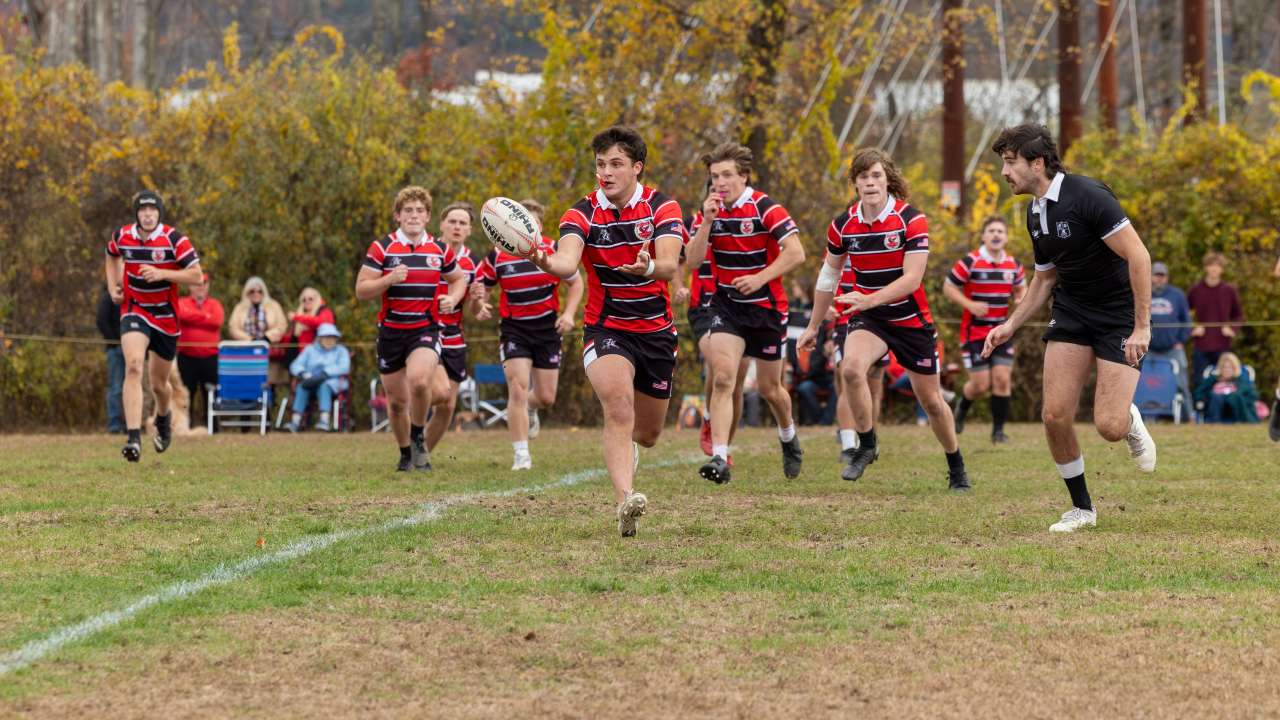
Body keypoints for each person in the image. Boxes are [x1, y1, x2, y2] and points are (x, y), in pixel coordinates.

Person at [982, 124, 1156, 533]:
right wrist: (1010, 324)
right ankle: (1082, 508)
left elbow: (1140, 257)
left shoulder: (1088, 196)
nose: (1004, 172)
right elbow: (1044, 279)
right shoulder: (1034, 211)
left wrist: (1142, 326)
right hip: (1073, 311)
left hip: (1118, 314)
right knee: (1054, 414)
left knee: (1108, 427)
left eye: (1010, 163)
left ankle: (1128, 420)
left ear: (1036, 162)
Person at [527, 125, 683, 537]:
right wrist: (537, 255)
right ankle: (624, 502)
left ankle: (629, 453)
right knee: (617, 408)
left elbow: (669, 266)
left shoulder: (662, 208)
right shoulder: (581, 213)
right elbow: (565, 264)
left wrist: (647, 266)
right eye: (600, 164)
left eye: (616, 164)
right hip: (606, 327)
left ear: (637, 168)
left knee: (646, 434)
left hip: (656, 331)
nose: (606, 173)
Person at [799, 148, 970, 491]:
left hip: (910, 319)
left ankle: (956, 465)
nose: (870, 182)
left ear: (887, 179)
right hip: (870, 319)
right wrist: (813, 326)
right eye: (863, 177)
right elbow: (827, 279)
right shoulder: (843, 225)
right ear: (855, 183)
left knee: (932, 402)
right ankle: (866, 444)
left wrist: (868, 298)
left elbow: (912, 279)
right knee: (850, 369)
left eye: (876, 175)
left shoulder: (911, 220)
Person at [683, 142, 806, 485]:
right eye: (713, 177)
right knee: (723, 377)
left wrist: (760, 278)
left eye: (726, 175)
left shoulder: (766, 208)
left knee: (771, 390)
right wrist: (706, 223)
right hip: (726, 308)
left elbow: (796, 253)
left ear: (744, 176)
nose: (719, 183)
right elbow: (692, 261)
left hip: (766, 310)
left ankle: (788, 437)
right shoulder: (709, 211)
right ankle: (720, 456)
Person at [356, 186, 467, 472]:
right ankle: (405, 453)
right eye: (408, 210)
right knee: (396, 402)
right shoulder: (383, 247)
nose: (414, 215)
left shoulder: (439, 249)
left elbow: (459, 280)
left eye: (419, 211)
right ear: (398, 216)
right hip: (391, 331)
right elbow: (362, 289)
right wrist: (388, 279)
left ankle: (418, 436)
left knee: (419, 382)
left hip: (425, 330)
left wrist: (452, 299)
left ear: (428, 216)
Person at [472, 198, 584, 470]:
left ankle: (531, 409)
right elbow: (481, 290)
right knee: (518, 390)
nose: (522, 226)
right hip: (515, 330)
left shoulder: (554, 249)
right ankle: (521, 455)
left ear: (539, 225)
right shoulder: (497, 255)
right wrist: (479, 305)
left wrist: (568, 314)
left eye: (530, 221)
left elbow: (577, 282)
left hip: (547, 329)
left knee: (546, 397)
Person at [103, 190, 204, 461]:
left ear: (159, 213)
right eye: (142, 210)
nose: (147, 215)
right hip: (134, 310)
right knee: (134, 366)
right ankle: (134, 438)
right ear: (136, 213)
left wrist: (163, 273)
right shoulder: (123, 235)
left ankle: (163, 416)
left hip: (166, 317)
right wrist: (113, 286)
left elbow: (196, 275)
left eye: (152, 210)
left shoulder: (174, 239)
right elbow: (111, 254)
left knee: (160, 384)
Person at [944, 215, 1027, 443]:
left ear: (1007, 237)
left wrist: (1021, 300)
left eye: (1000, 231)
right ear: (983, 236)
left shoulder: (1014, 266)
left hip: (1002, 333)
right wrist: (970, 305)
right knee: (980, 385)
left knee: (1002, 379)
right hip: (975, 333)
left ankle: (998, 432)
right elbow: (949, 286)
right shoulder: (970, 262)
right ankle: (962, 406)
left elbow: (1023, 289)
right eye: (991, 231)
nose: (996, 235)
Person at [424, 201, 481, 454]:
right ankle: (407, 409)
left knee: (447, 404)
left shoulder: (472, 262)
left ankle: (420, 454)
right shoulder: (425, 251)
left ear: (469, 230)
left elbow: (474, 312)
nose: (457, 227)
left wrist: (478, 301)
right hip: (424, 330)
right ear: (441, 225)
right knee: (439, 391)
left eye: (463, 223)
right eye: (452, 222)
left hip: (454, 336)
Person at [175, 273, 224, 429]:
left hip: (210, 357)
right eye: (197, 284)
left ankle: (212, 428)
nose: (200, 287)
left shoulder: (215, 304)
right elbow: (181, 313)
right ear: (190, 286)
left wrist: (193, 317)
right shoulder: (182, 302)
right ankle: (185, 426)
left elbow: (216, 321)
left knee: (210, 394)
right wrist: (204, 317)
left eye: (204, 284)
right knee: (185, 394)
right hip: (187, 357)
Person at [1187, 252, 1244, 383]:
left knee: (1223, 381)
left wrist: (1232, 329)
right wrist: (1192, 328)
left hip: (1222, 343)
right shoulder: (1196, 289)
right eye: (1211, 265)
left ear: (1222, 269)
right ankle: (1200, 404)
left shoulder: (1228, 290)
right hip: (1201, 344)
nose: (1214, 269)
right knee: (1200, 381)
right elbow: (1183, 313)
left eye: (1218, 266)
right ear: (1206, 267)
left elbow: (1239, 315)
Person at [285, 323, 350, 432]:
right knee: (302, 386)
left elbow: (344, 367)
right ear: (319, 338)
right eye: (326, 337)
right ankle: (295, 421)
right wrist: (302, 373)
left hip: (332, 383)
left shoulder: (341, 351)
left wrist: (325, 373)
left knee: (324, 385)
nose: (329, 340)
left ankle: (324, 420)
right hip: (310, 382)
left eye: (332, 337)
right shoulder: (309, 350)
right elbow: (295, 365)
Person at [788, 279, 834, 425]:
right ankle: (819, 420)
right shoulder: (793, 309)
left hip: (826, 374)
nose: (793, 290)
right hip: (810, 376)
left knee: (838, 387)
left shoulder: (823, 316)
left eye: (796, 286)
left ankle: (825, 420)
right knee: (804, 388)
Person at [1146, 261, 1192, 407]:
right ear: (1151, 276)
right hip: (1148, 349)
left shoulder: (1177, 295)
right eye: (1156, 275)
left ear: (1167, 277)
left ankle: (1189, 415)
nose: (1159, 278)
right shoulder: (1142, 292)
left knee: (1181, 382)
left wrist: (1181, 341)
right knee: (1145, 383)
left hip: (1173, 349)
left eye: (1162, 275)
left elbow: (1187, 321)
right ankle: (1145, 416)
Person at [1193, 352, 1259, 424]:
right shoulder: (1212, 380)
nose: (1227, 370)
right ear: (1220, 368)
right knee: (1216, 397)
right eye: (1224, 367)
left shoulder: (1241, 381)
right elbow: (1199, 393)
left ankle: (1238, 422)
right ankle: (1215, 423)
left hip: (1236, 411)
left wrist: (1230, 396)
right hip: (1216, 409)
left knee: (1234, 397)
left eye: (1230, 367)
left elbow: (1252, 396)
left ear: (1235, 368)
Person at [96, 282, 125, 434]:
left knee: (133, 387)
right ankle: (114, 425)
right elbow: (101, 321)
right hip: (116, 350)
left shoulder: (134, 294)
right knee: (115, 388)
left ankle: (131, 424)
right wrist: (115, 342)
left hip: (134, 350)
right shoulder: (109, 296)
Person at [286, 287, 336, 354]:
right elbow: (294, 337)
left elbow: (320, 323)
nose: (307, 301)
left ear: (317, 299)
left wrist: (297, 317)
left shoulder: (325, 311)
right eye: (304, 299)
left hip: (321, 352)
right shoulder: (300, 314)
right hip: (303, 354)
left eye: (310, 299)